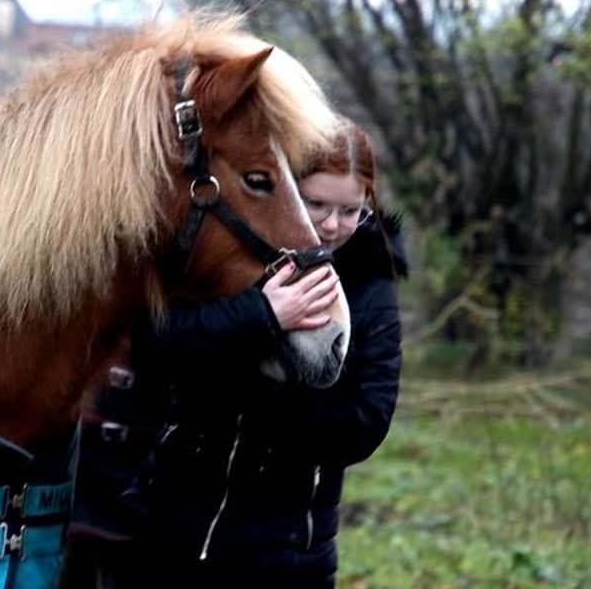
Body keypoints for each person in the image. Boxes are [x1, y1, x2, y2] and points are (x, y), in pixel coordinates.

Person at [63, 119, 407, 588]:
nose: (330, 226)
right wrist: (260, 316)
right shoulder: (225, 258)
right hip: (165, 538)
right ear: (288, 191)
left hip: (287, 556)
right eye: (316, 204)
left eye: (350, 210)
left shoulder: (369, 287)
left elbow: (362, 426)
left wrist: (259, 376)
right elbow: (154, 343)